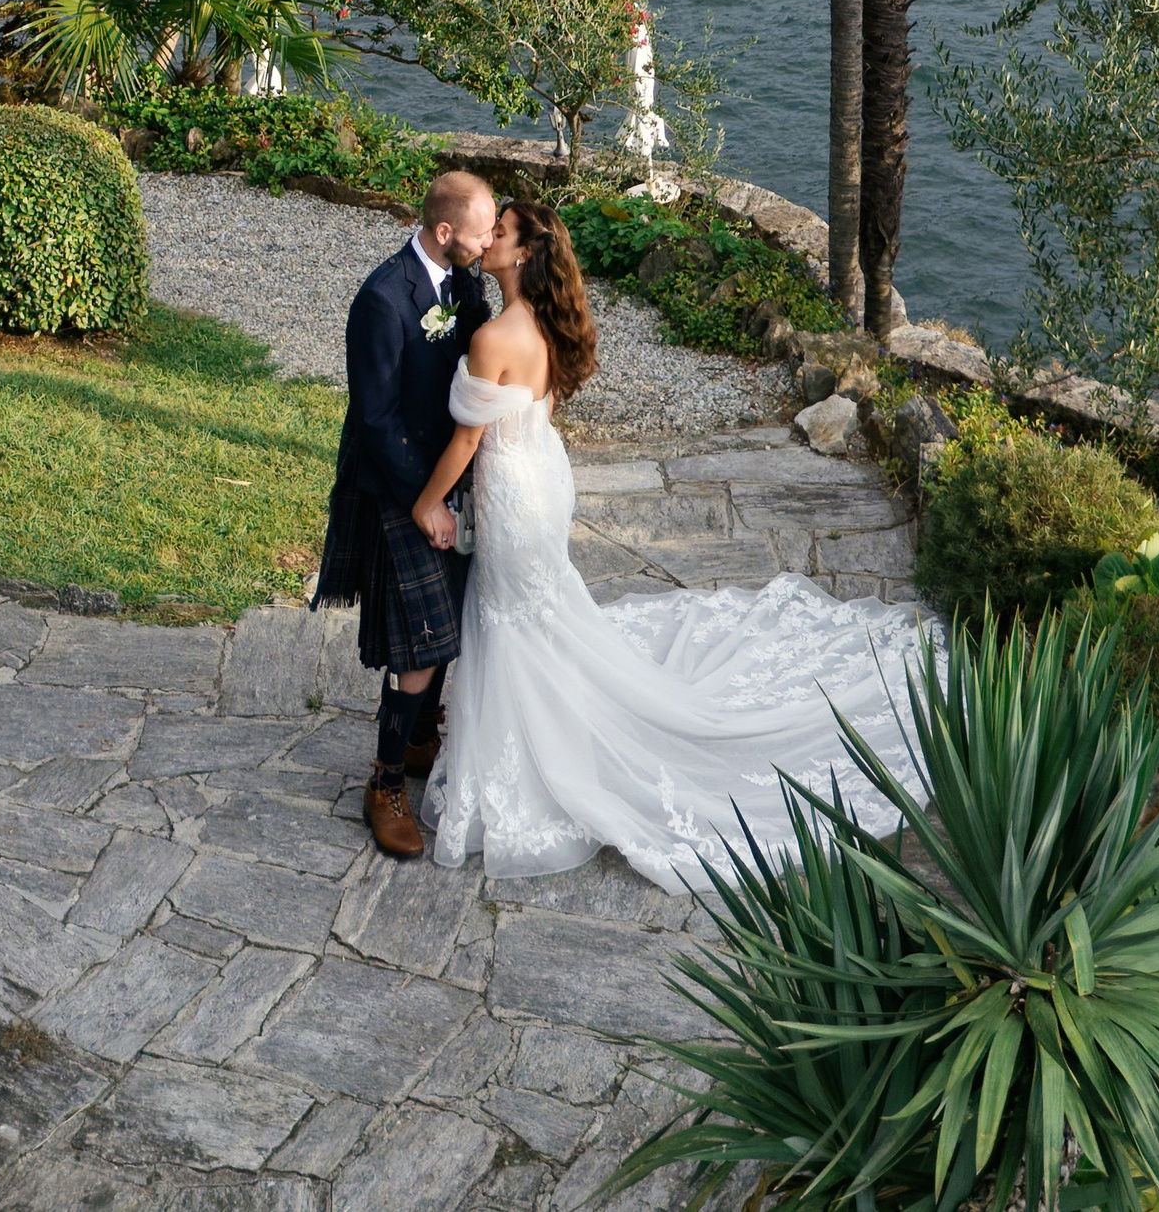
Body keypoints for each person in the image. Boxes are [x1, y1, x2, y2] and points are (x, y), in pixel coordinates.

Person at [411, 199, 933, 891]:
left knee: (513, 620)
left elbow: (467, 438)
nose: (489, 239)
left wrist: (426, 502)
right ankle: (538, 730)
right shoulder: (543, 323)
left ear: (526, 255)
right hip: (540, 476)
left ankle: (538, 754)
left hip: (512, 491)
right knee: (533, 616)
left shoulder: (495, 336)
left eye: (500, 233)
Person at [312, 166, 499, 857]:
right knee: (422, 639)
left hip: (447, 477)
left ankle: (420, 738)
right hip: (396, 483)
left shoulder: (463, 281)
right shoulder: (383, 300)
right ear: (444, 230)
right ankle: (384, 781)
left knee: (449, 617)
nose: (486, 245)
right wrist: (426, 503)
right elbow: (376, 416)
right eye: (480, 234)